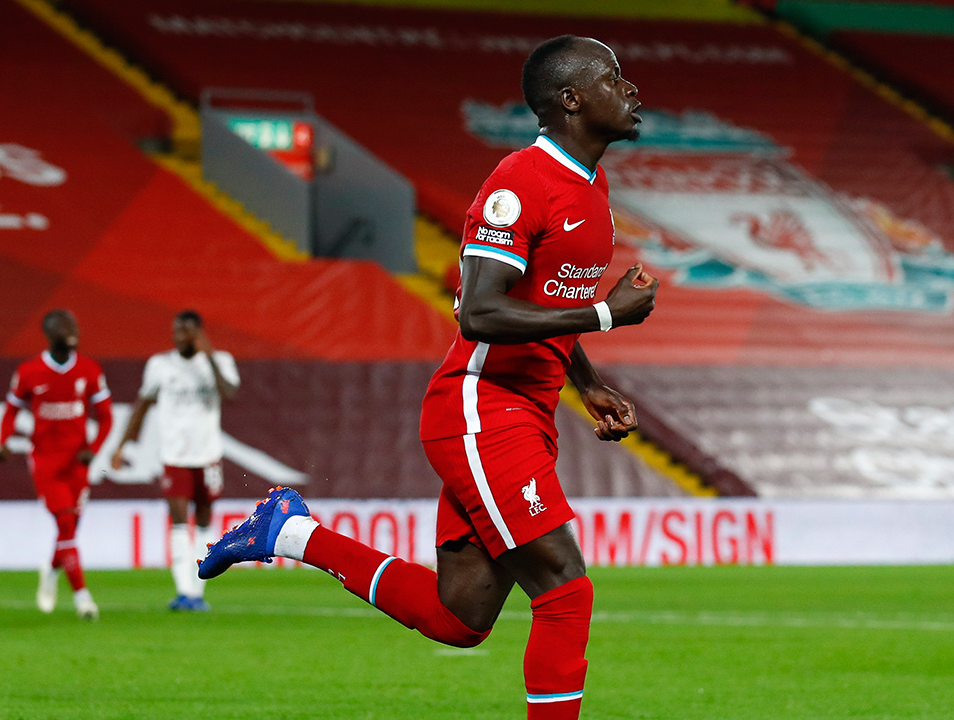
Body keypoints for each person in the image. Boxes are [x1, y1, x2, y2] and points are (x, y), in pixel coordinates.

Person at [199, 35, 657, 719]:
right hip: (481, 408)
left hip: (524, 414)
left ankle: (289, 534)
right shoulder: (519, 184)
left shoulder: (593, 189)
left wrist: (584, 380)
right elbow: (480, 311)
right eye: (614, 78)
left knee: (460, 617)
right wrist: (605, 314)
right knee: (565, 586)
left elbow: (540, 302)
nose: (632, 90)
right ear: (571, 99)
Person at [110, 310, 239, 612]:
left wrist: (208, 359)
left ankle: (198, 589)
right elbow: (142, 404)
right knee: (179, 521)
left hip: (207, 456)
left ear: (200, 333)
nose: (180, 337)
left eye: (187, 332)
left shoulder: (220, 362)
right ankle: (184, 591)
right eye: (176, 331)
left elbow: (230, 393)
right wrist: (121, 446)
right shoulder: (160, 365)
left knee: (205, 521)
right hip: (174, 456)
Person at [0, 309, 113, 619]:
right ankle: (83, 599)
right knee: (65, 524)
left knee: (70, 528)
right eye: (65, 327)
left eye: (74, 325)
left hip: (77, 464)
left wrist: (94, 447)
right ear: (50, 333)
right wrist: (3, 440)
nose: (72, 330)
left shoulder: (89, 370)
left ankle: (50, 574)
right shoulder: (29, 372)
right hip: (46, 462)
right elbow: (10, 411)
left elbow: (106, 416)